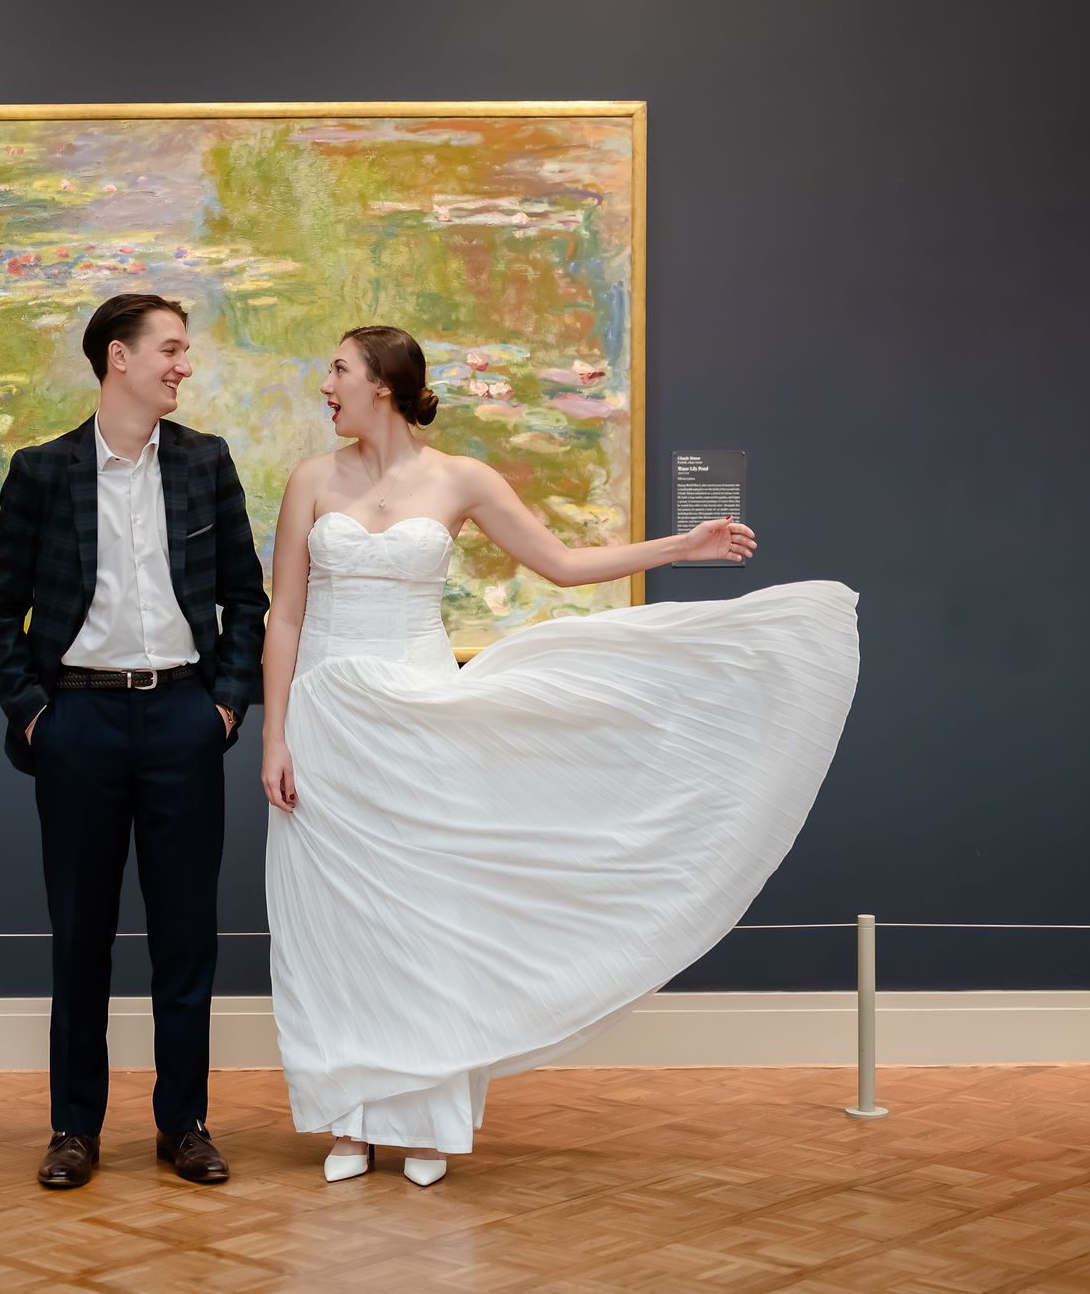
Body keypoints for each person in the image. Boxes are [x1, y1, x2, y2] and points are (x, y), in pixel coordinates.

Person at [261, 326, 859, 1187]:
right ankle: (347, 1120)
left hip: (424, 721)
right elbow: (284, 614)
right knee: (330, 925)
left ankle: (427, 1121)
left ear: (384, 385)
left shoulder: (462, 478)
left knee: (428, 922)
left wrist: (679, 548)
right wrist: (277, 734)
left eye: (339, 369)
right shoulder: (310, 481)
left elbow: (564, 564)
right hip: (328, 722)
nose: (326, 383)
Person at [0, 293, 269, 1189]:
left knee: (186, 938)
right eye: (171, 350)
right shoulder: (42, 471)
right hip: (80, 725)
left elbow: (245, 600)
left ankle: (185, 1124)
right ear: (118, 358)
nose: (184, 365)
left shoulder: (206, 464)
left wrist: (222, 705)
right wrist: (34, 714)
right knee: (81, 938)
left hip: (183, 719)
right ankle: (74, 1128)